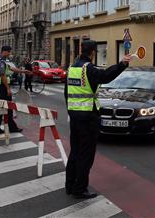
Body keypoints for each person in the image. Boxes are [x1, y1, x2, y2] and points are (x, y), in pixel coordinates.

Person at [64, 40, 132, 199]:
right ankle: (79, 189)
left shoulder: (72, 68)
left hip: (74, 116)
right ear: (93, 52)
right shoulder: (89, 69)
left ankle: (70, 185)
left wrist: (71, 111)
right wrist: (122, 64)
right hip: (87, 116)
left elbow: (67, 93)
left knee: (75, 151)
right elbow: (105, 76)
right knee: (86, 154)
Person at [0, 46, 31, 135]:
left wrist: (23, 71)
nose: (10, 54)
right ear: (4, 52)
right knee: (5, 107)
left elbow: (11, 69)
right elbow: (3, 76)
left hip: (0, 87)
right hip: (1, 87)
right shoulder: (0, 62)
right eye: (9, 52)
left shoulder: (1, 61)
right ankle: (4, 127)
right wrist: (8, 88)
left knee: (3, 107)